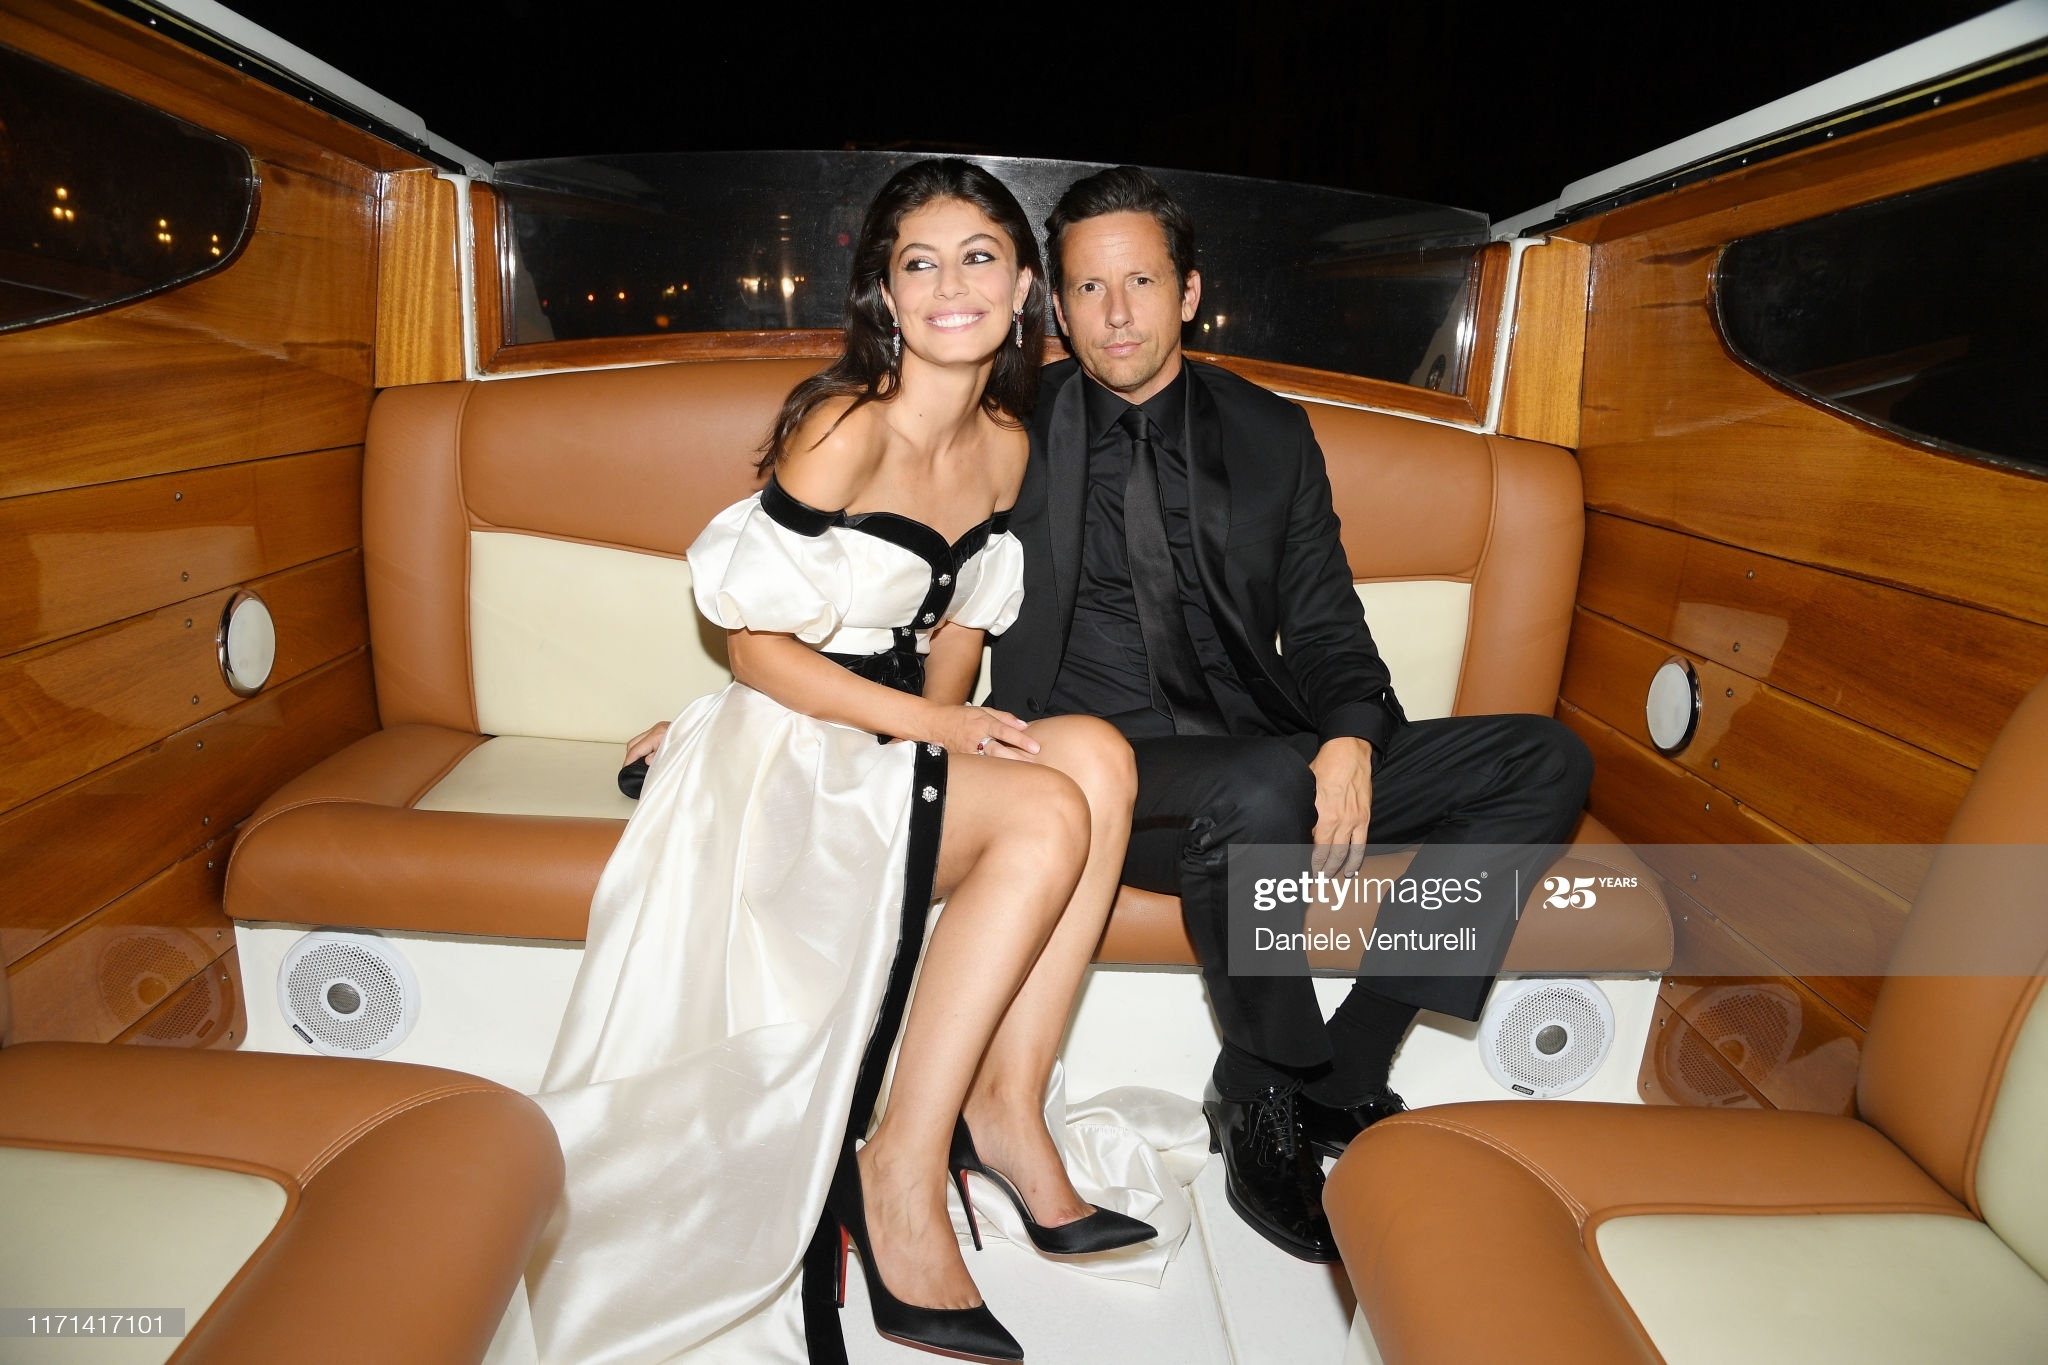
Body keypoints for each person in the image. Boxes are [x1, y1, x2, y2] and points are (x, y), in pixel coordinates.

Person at [528, 159, 1163, 1365]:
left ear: (1020, 290)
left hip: (886, 736)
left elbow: (961, 628)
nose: (949, 285)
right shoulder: (841, 427)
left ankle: (1003, 1108)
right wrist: (933, 739)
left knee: (1095, 758)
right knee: (1040, 815)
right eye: (918, 263)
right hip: (791, 739)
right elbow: (751, 643)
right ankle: (899, 1170)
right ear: (884, 293)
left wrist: (934, 740)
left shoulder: (1004, 444)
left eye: (977, 258)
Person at [987, 167, 1594, 1263]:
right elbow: (885, 581)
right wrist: (744, 706)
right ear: (1058, 309)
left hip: (1259, 756)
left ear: (1188, 293)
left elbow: (1321, 623)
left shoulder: (1268, 433)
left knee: (1540, 759)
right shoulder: (1005, 427)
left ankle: (1348, 1064)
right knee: (1260, 784)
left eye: (1140, 282)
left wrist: (1351, 739)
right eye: (1088, 288)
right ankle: (1261, 1084)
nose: (1115, 313)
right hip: (1097, 783)